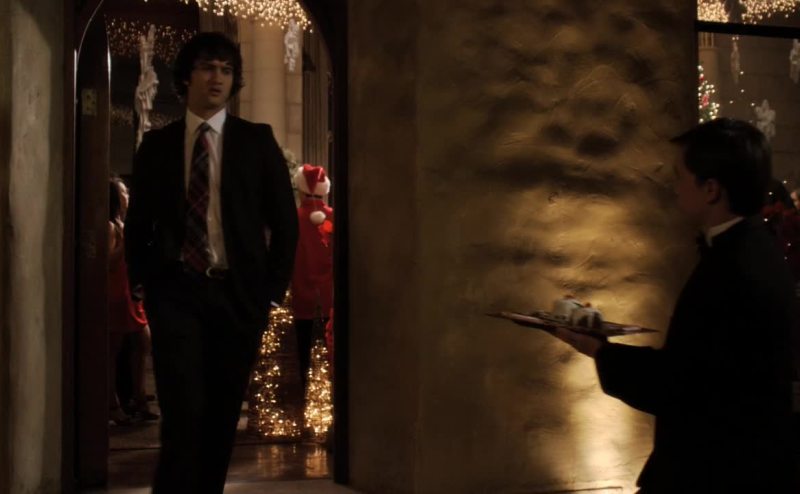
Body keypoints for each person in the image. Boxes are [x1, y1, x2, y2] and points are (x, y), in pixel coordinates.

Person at [553, 118, 797, 493]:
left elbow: (685, 384)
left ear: (711, 190)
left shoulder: (733, 268)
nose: (673, 186)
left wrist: (599, 350)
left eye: (680, 176)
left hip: (717, 470)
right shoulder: (754, 249)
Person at [124, 32, 298, 493]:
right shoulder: (159, 146)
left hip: (237, 297)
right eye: (207, 67)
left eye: (225, 69)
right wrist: (145, 283)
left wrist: (269, 294)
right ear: (187, 77)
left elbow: (285, 224)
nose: (217, 77)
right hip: (176, 292)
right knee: (182, 414)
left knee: (221, 418)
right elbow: (138, 224)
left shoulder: (256, 141)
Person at [108, 177, 157, 425]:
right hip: (116, 294)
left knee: (142, 341)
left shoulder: (121, 223)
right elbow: (108, 261)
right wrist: (127, 243)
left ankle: (138, 398)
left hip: (128, 293)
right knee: (113, 349)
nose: (127, 196)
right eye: (123, 192)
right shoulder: (110, 227)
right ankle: (113, 404)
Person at [290, 164, 334, 393]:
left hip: (301, 293)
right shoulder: (333, 216)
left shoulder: (294, 218)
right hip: (330, 296)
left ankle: (303, 396)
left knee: (303, 355)